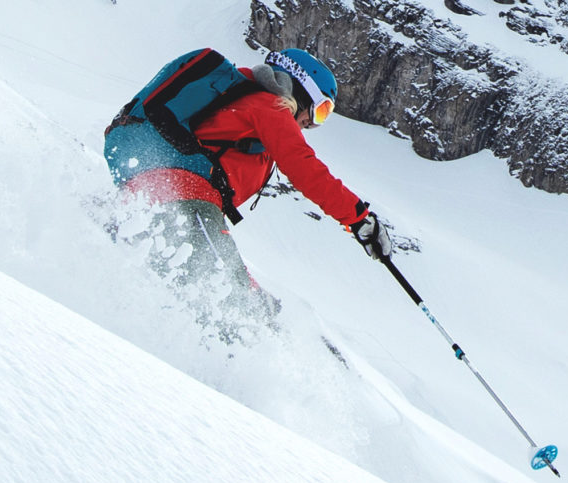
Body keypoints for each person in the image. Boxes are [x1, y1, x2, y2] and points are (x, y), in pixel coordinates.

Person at [104, 48, 392, 335]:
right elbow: (305, 168)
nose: (312, 123)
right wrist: (359, 218)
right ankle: (238, 365)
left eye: (324, 116)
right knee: (231, 295)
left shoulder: (249, 108)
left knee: (244, 299)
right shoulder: (269, 106)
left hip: (153, 195)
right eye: (320, 110)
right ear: (300, 90)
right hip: (186, 199)